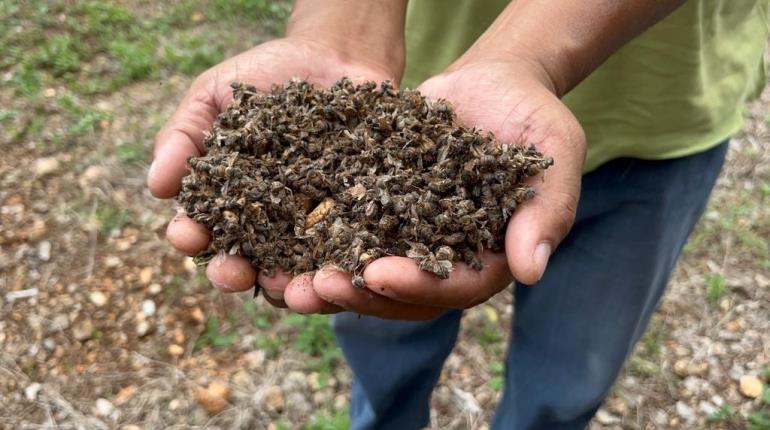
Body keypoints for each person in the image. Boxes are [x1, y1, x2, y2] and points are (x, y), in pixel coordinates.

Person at [147, 1, 768, 428]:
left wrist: (531, 56)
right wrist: (339, 30)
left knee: (573, 368)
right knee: (379, 332)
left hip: (657, 122)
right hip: (421, 87)